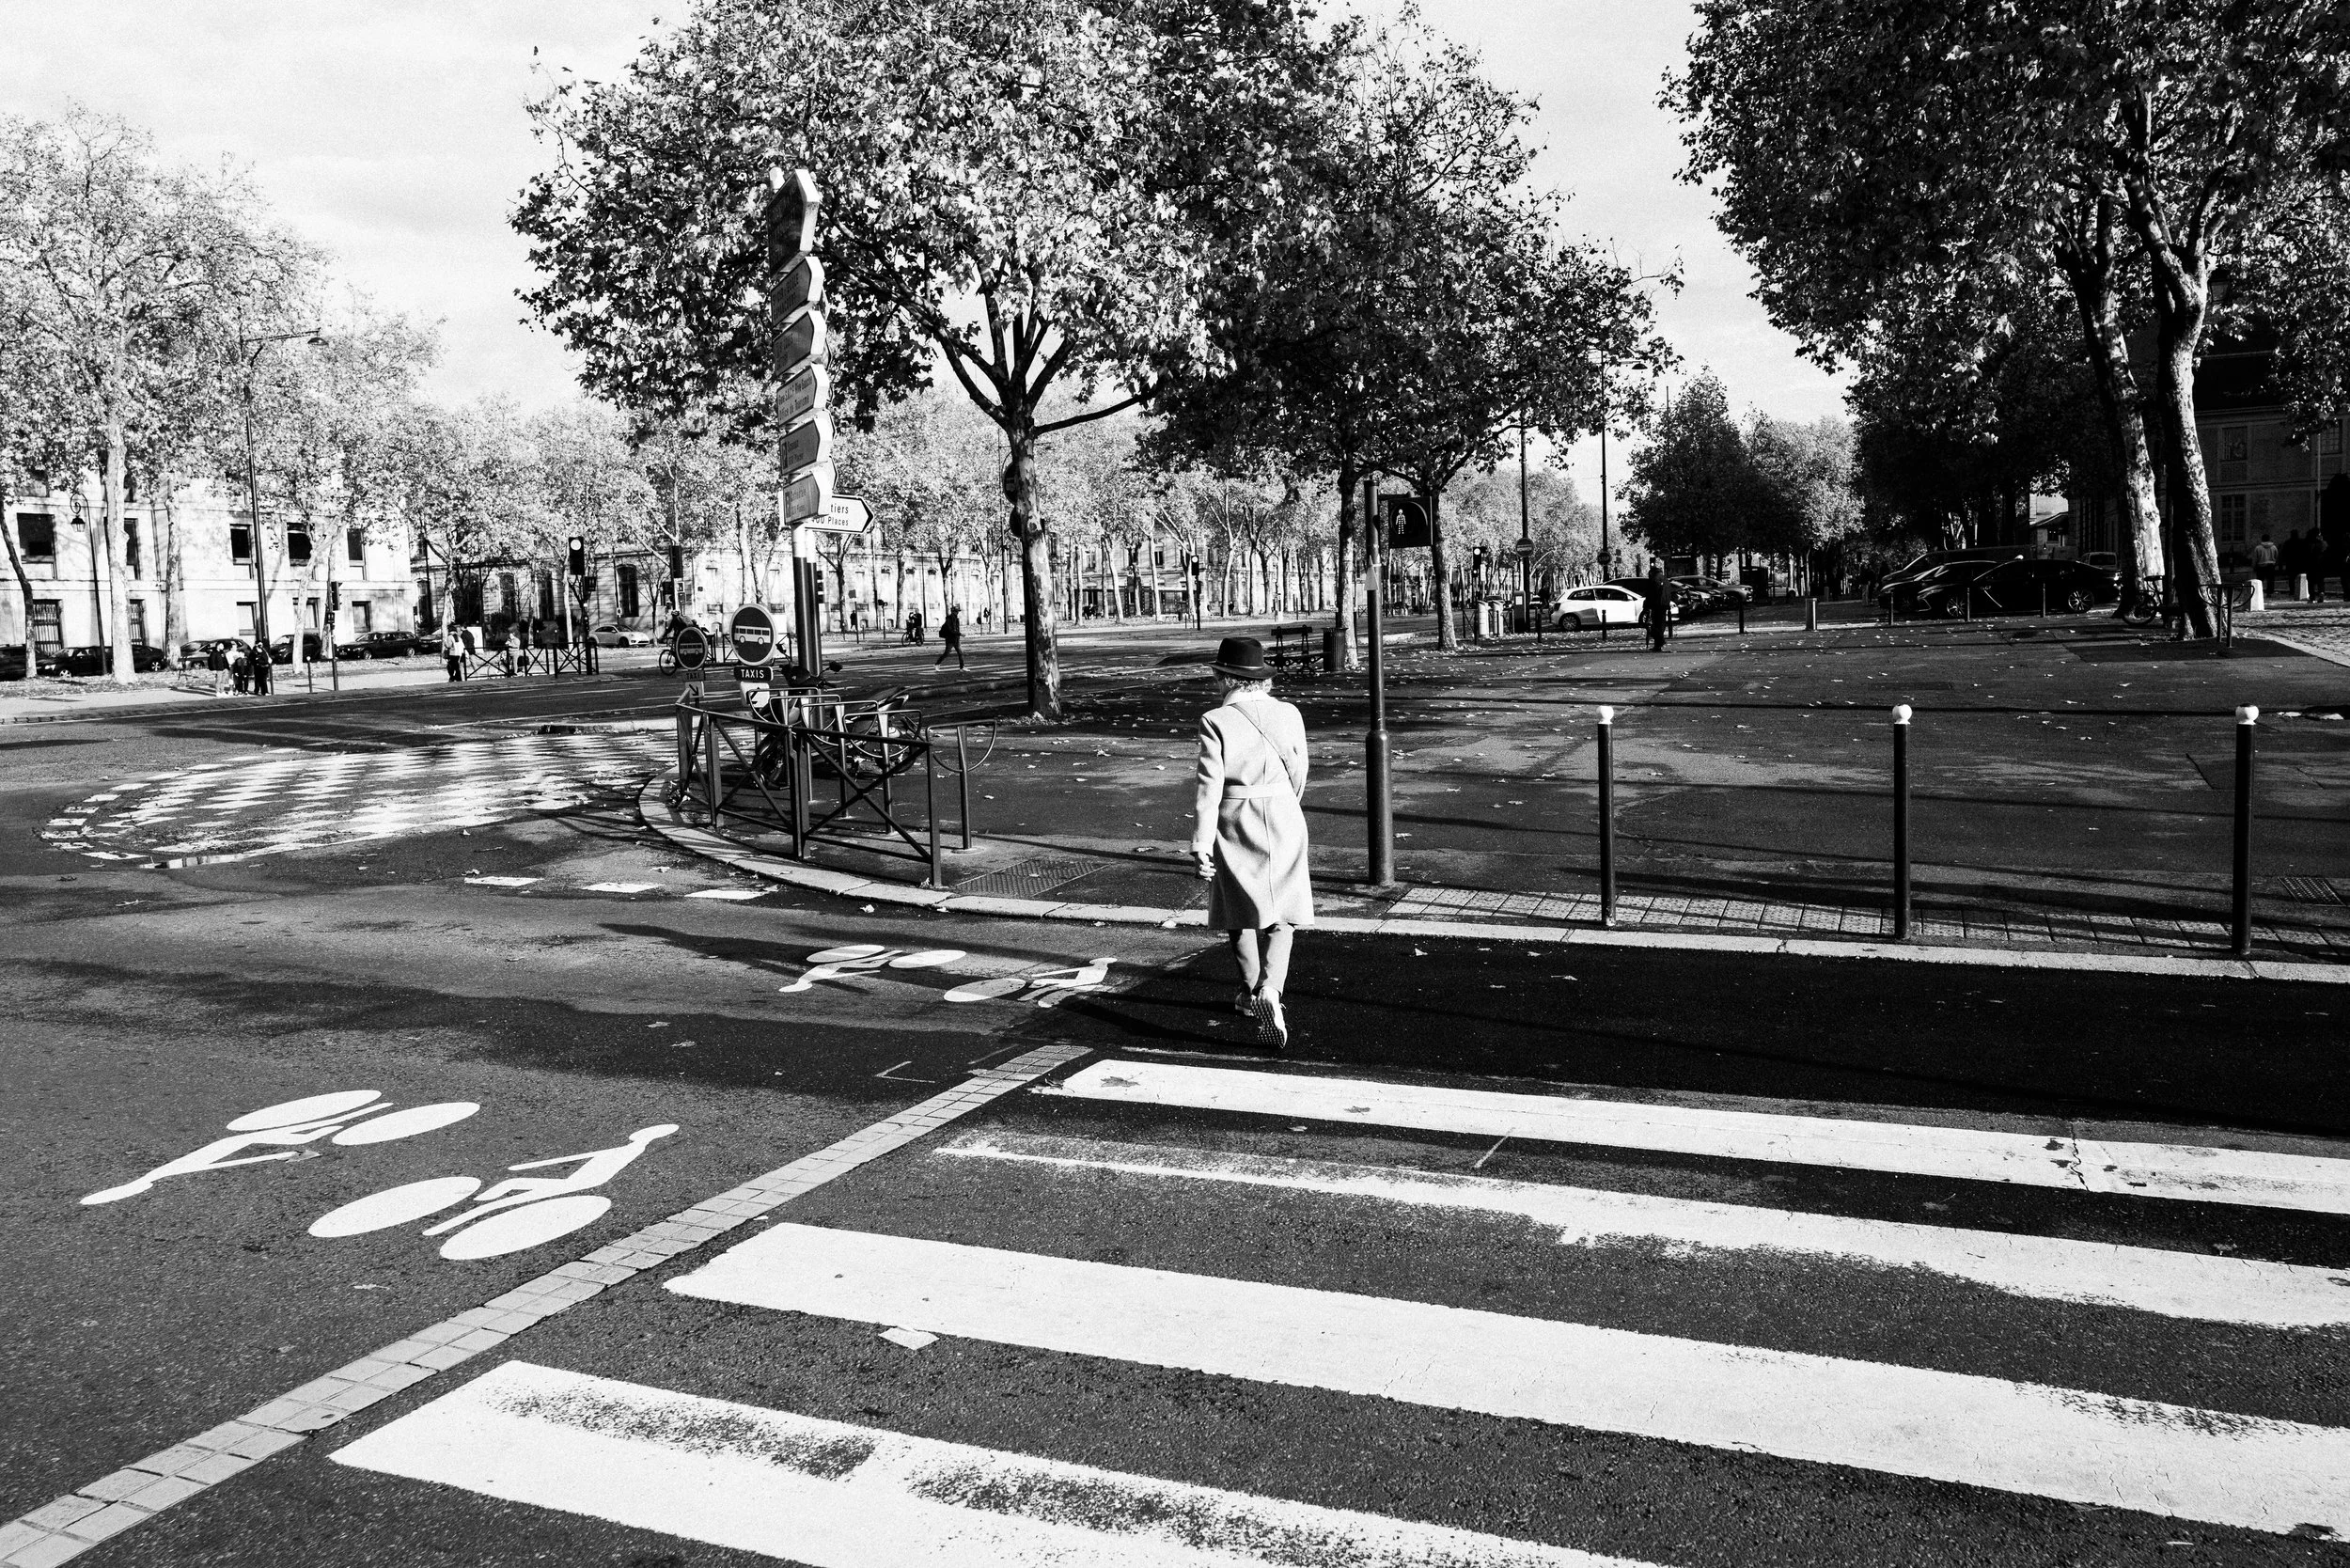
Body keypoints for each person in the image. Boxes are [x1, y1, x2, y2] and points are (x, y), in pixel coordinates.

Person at [1191, 635, 1313, 1049]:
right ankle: (1271, 991)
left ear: (1223, 677)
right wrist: (1285, 805)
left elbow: (1208, 790)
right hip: (1284, 813)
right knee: (1285, 909)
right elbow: (1300, 771)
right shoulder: (1290, 713)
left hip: (1235, 819)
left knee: (1236, 908)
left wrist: (1201, 844)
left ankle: (1248, 993)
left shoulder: (1215, 721)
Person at [1641, 565, 1671, 651]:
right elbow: (1669, 593)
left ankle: (1660, 641)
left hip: (1656, 604)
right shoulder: (1665, 579)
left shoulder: (1654, 580)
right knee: (1661, 625)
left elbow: (1651, 594)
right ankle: (1658, 645)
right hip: (1664, 604)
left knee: (1654, 625)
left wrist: (1647, 605)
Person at [934, 605, 964, 669]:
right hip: (950, 639)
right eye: (956, 611)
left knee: (960, 653)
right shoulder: (949, 619)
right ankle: (937, 664)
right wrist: (960, 634)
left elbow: (956, 629)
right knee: (947, 653)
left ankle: (962, 667)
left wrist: (958, 636)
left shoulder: (956, 619)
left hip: (956, 639)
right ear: (953, 612)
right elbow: (950, 630)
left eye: (958, 611)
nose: (957, 613)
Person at [2253, 533, 2280, 599]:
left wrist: (2254, 566)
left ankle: (2259, 592)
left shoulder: (2258, 548)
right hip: (2271, 565)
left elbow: (2255, 558)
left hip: (2261, 565)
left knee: (2260, 580)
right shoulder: (2274, 547)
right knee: (2270, 580)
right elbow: (2276, 556)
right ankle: (2269, 593)